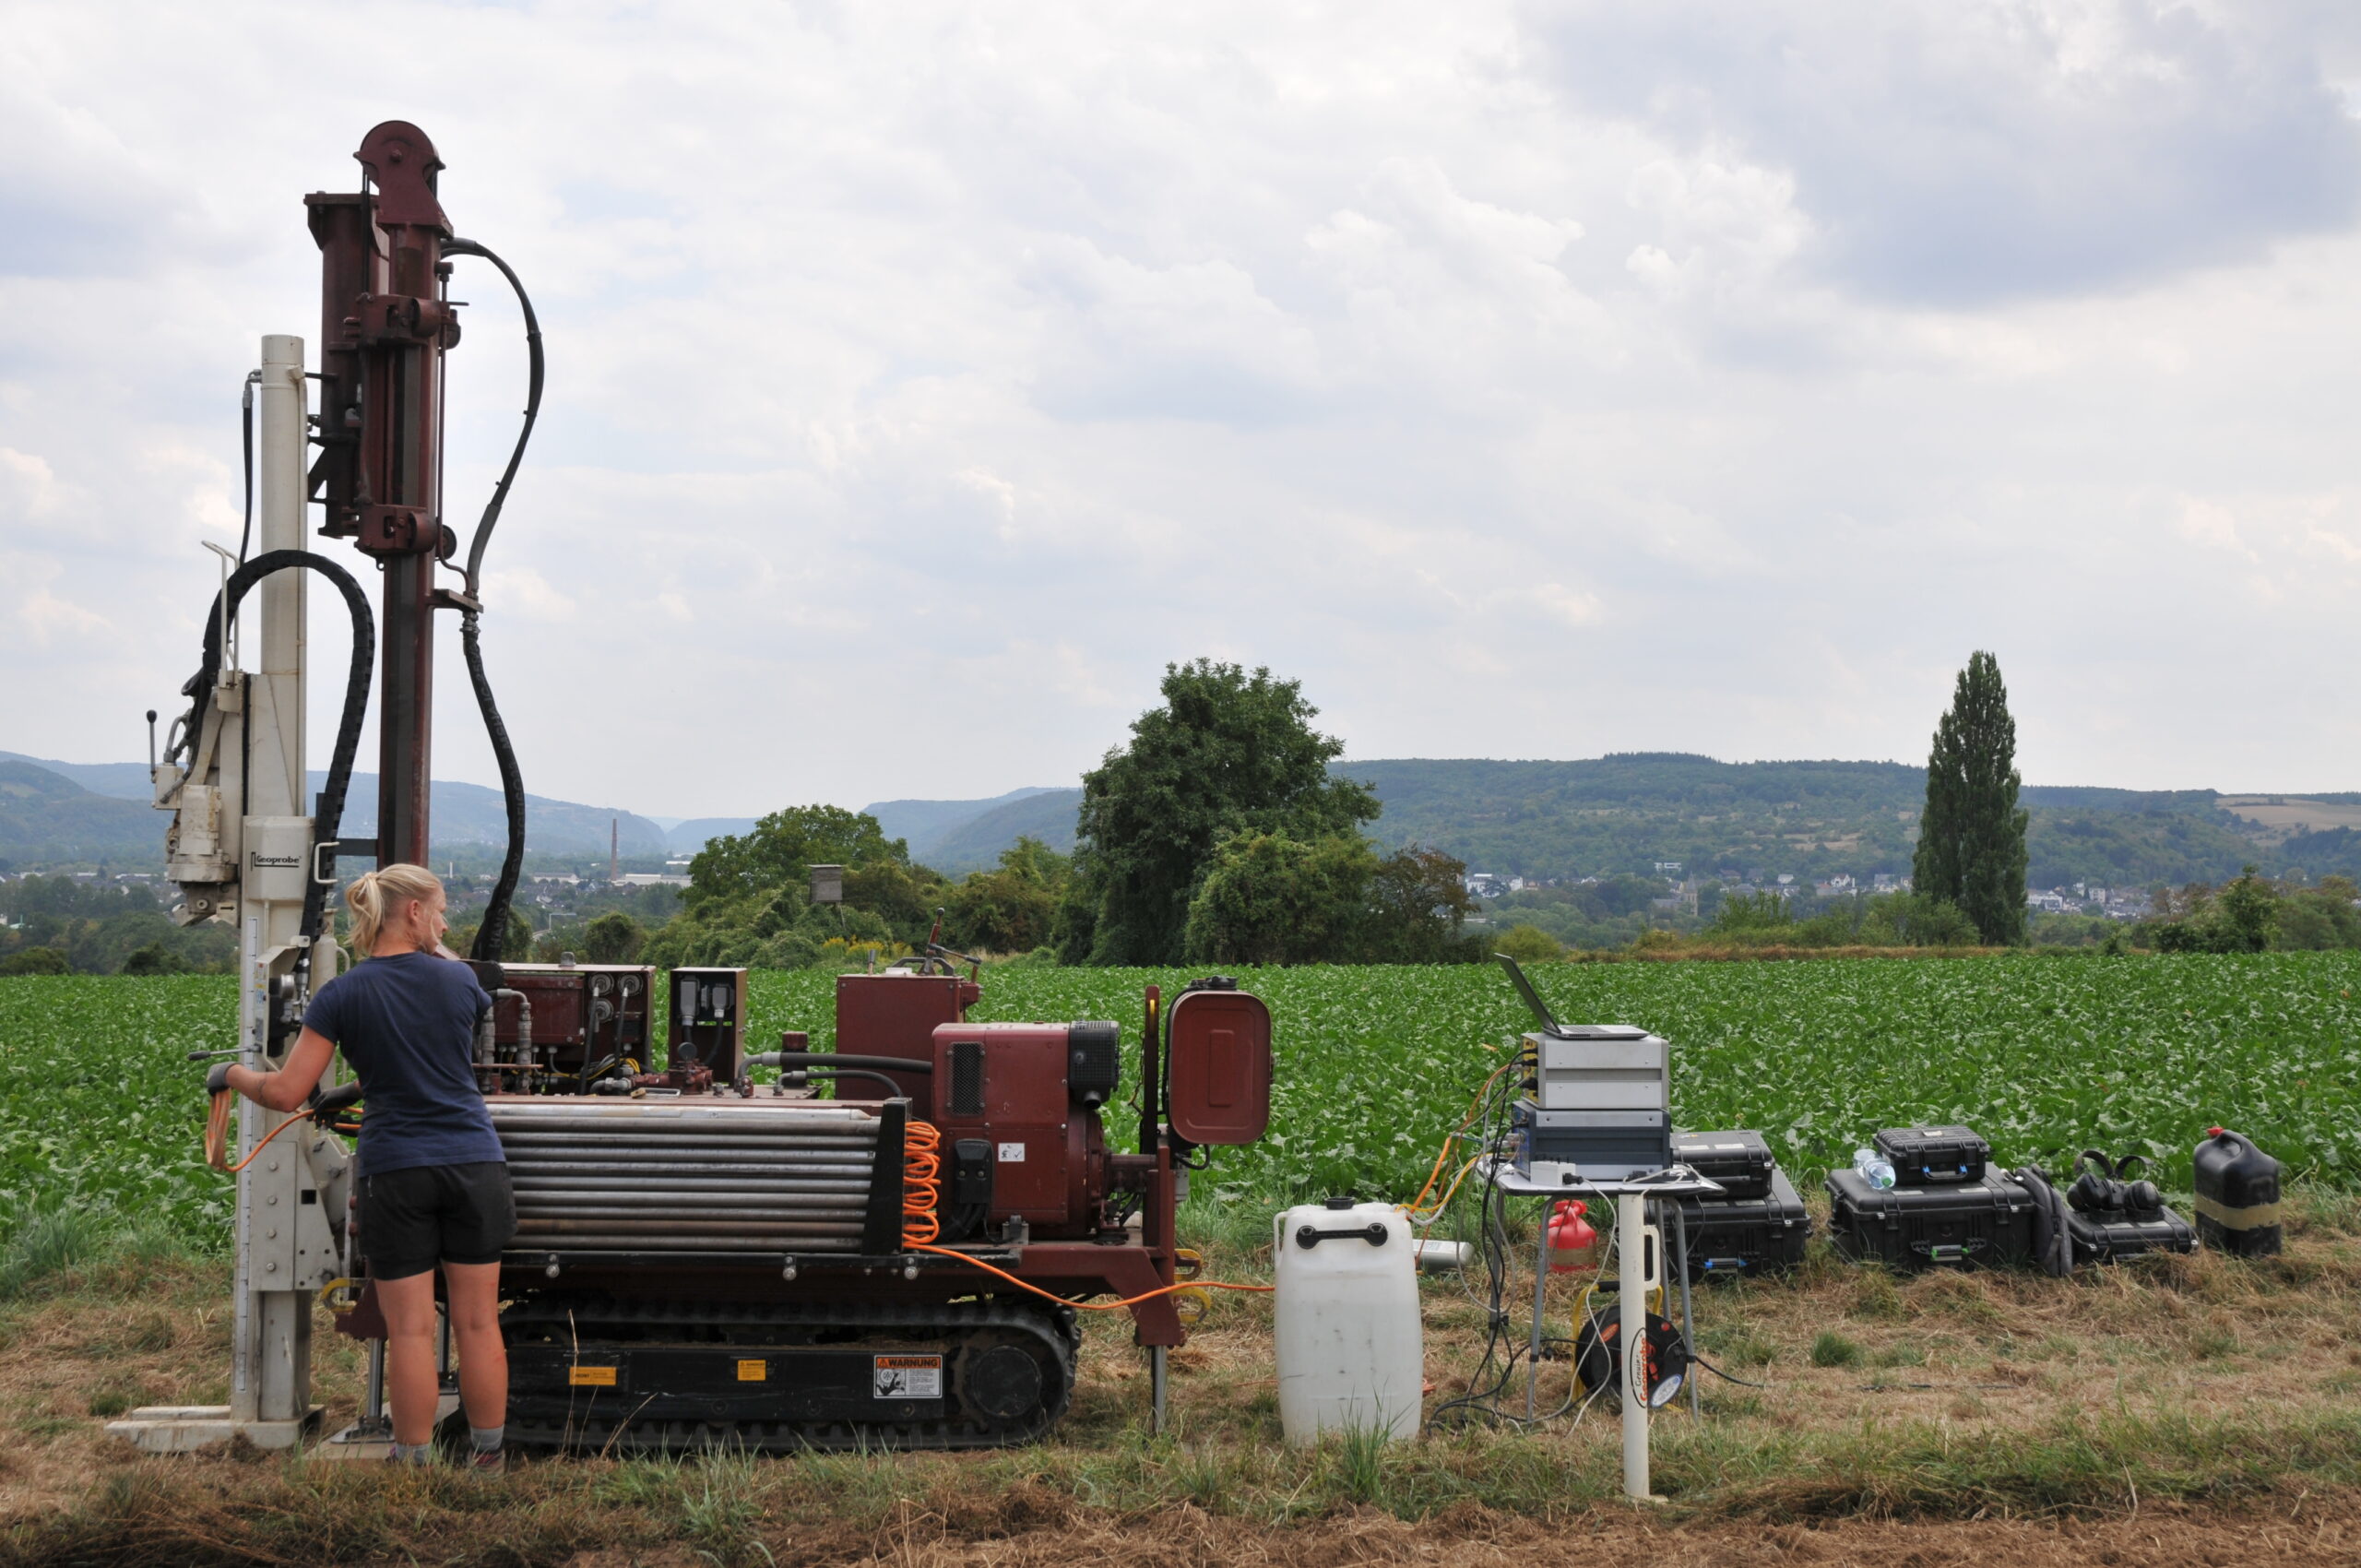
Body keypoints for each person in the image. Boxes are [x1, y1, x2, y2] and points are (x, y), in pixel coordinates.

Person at [209, 863, 514, 1473]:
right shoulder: (458, 985)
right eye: (440, 910)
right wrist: (432, 940)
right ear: (413, 914)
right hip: (474, 1164)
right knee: (479, 1322)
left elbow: (288, 1091)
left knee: (410, 1332)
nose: (447, 922)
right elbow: (438, 1022)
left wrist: (232, 1075)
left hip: (397, 1170)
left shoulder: (342, 994)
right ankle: (487, 1459)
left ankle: (412, 1458)